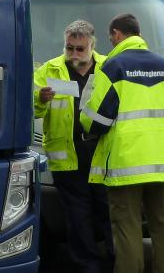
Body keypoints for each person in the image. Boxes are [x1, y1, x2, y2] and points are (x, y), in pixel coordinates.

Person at [80, 13, 164, 273]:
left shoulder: (113, 67)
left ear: (117, 34)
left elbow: (97, 119)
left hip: (126, 163)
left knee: (127, 227)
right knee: (163, 223)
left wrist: (85, 123)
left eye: (111, 37)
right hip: (161, 161)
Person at [34, 20, 114, 273]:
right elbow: (29, 108)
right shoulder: (51, 69)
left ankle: (116, 262)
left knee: (108, 212)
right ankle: (87, 266)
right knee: (77, 217)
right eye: (70, 48)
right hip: (67, 156)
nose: (74, 54)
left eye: (80, 49)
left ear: (92, 45)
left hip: (101, 152)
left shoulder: (108, 68)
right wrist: (40, 98)